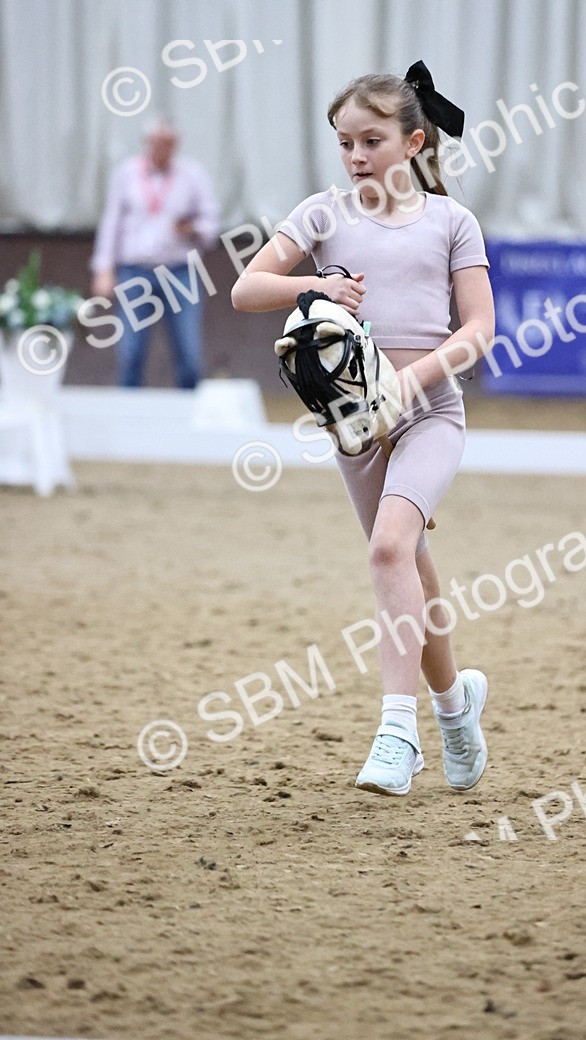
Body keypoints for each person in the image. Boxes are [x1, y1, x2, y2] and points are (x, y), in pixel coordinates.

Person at [231, 61, 495, 797]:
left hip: (430, 412)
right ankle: (454, 710)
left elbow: (479, 329)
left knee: (387, 549)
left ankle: (397, 732)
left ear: (413, 142)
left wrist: (412, 380)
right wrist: (314, 284)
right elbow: (247, 287)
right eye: (344, 142)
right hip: (352, 422)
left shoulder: (451, 221)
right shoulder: (323, 213)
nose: (354, 156)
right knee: (410, 564)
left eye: (370, 141)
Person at [90, 119, 220, 389]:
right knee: (130, 352)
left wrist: (192, 229)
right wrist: (104, 268)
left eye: (169, 143)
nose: (163, 149)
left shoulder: (192, 174)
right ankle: (128, 416)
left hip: (179, 271)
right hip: (134, 270)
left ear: (176, 144)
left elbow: (212, 225)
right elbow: (111, 221)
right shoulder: (126, 173)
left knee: (189, 352)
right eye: (158, 143)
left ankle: (190, 416)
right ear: (146, 143)